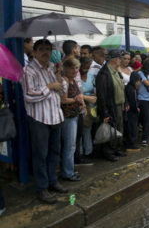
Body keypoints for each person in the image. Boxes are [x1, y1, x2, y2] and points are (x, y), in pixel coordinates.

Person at [21, 39, 68, 204]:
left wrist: (59, 76)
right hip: (39, 118)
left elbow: (63, 90)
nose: (45, 52)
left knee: (55, 152)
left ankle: (52, 181)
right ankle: (42, 188)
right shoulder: (28, 71)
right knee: (41, 155)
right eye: (41, 49)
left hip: (55, 116)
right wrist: (49, 87)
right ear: (34, 52)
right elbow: (29, 95)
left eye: (48, 49)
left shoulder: (51, 68)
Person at [96, 50, 126, 161]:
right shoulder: (104, 74)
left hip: (119, 105)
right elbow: (102, 95)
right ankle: (108, 152)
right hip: (111, 106)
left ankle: (116, 149)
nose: (121, 61)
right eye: (120, 58)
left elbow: (122, 87)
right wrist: (105, 112)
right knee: (110, 129)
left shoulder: (115, 72)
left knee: (118, 128)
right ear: (115, 59)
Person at [60, 58, 86, 181]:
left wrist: (82, 104)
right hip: (68, 117)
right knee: (69, 146)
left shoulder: (73, 80)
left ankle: (68, 169)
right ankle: (67, 172)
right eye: (72, 68)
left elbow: (79, 96)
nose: (75, 70)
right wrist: (77, 99)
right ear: (66, 68)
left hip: (75, 115)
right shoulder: (64, 81)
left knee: (72, 145)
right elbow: (63, 100)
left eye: (76, 68)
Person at [78, 57, 96, 165]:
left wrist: (93, 96)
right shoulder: (76, 77)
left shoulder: (90, 76)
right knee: (80, 131)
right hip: (80, 104)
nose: (86, 70)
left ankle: (88, 151)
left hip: (90, 106)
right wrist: (86, 98)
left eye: (88, 68)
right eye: (84, 68)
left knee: (88, 129)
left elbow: (93, 88)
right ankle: (80, 153)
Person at [125, 71, 141, 152]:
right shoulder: (131, 89)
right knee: (132, 128)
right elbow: (133, 101)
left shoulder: (129, 87)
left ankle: (131, 144)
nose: (139, 83)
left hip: (131, 112)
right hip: (132, 112)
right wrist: (136, 108)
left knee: (132, 128)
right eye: (138, 81)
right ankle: (130, 145)